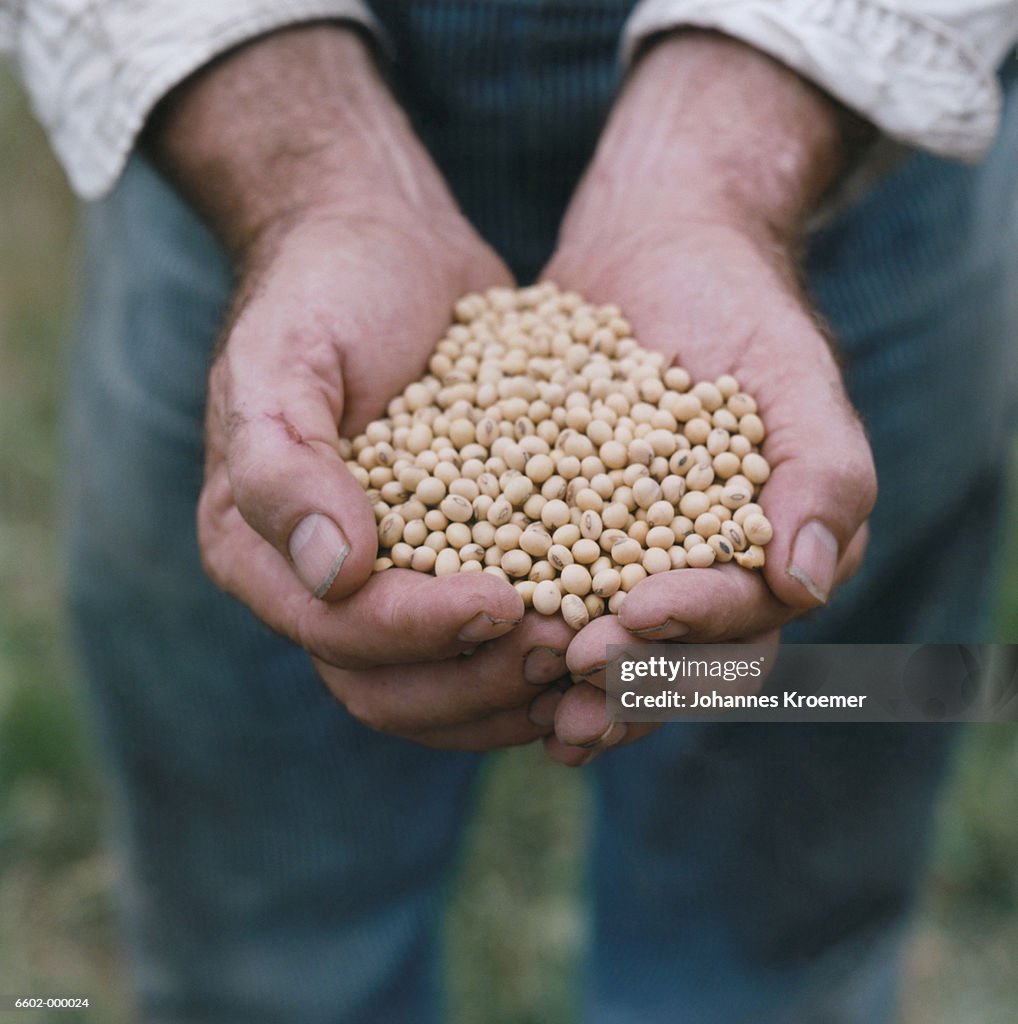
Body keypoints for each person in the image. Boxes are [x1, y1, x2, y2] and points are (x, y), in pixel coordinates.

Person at [3, 2, 1017, 1020]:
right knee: (259, 950)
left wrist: (733, 139)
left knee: (780, 944)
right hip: (239, 185)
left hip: (851, 147)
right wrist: (303, 160)